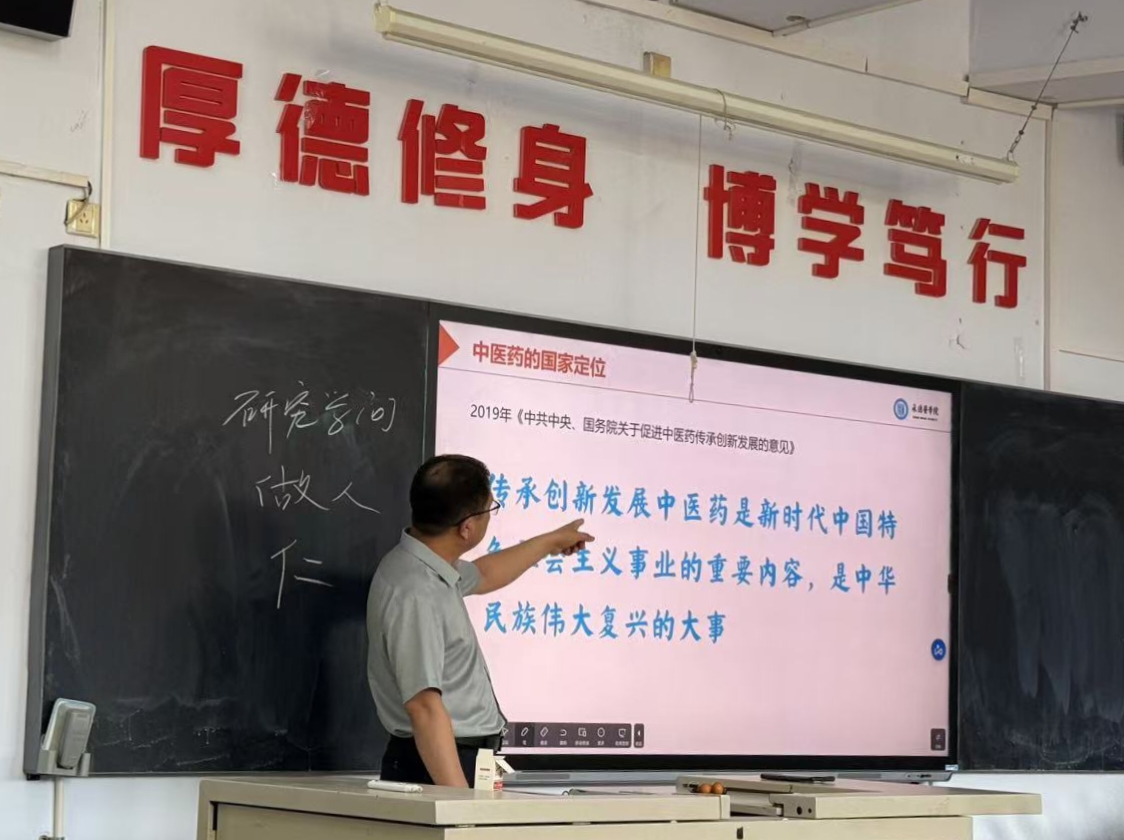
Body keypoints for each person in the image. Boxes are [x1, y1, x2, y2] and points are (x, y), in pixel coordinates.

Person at [367, 454, 593, 786]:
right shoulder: (416, 592)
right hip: (438, 763)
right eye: (490, 508)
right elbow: (424, 707)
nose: (491, 515)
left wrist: (550, 542)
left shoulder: (426, 564)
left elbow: (485, 574)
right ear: (467, 528)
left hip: (456, 758)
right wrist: (459, 804)